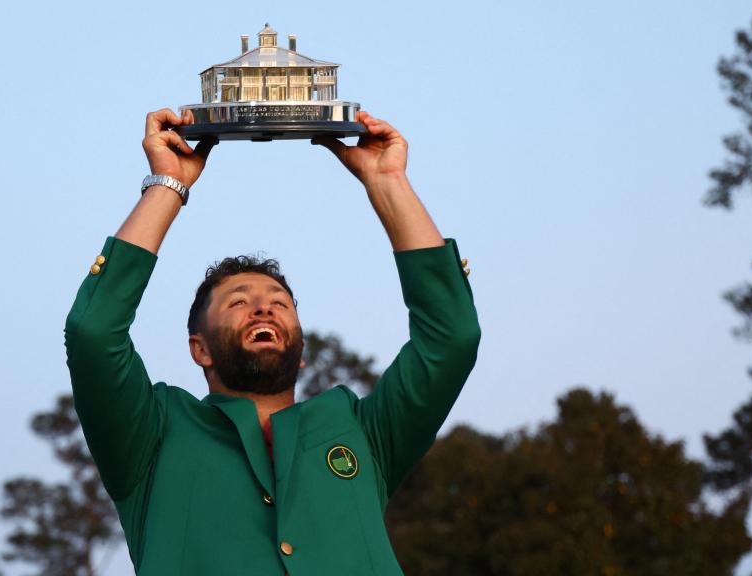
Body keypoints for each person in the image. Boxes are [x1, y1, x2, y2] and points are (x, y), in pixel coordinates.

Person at [64, 108, 481, 575]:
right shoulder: (152, 436)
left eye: (280, 303)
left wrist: (387, 182)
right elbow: (94, 332)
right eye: (239, 302)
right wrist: (167, 185)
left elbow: (451, 337)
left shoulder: (361, 431)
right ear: (199, 348)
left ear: (301, 353)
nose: (264, 308)